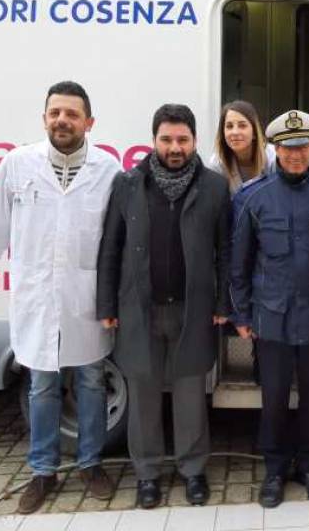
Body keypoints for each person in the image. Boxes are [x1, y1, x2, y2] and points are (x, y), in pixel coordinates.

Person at [0, 81, 119, 514]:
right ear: (44, 118)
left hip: (85, 299)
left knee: (89, 382)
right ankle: (42, 471)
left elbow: (116, 240)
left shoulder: (107, 169)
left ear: (89, 122)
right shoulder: (17, 164)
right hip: (37, 296)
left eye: (71, 113)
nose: (62, 120)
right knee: (42, 385)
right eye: (55, 113)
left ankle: (91, 464)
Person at [96, 104, 231, 509]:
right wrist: (106, 303)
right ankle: (148, 474)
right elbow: (111, 249)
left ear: (194, 141)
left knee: (191, 394)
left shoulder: (213, 187)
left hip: (193, 310)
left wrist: (224, 300)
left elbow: (225, 250)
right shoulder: (127, 184)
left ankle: (192, 471)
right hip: (139, 310)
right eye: (167, 139)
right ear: (153, 140)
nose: (175, 147)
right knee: (144, 393)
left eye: (183, 139)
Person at [230, 110, 309, 508]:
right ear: (275, 149)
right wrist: (242, 317)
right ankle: (275, 469)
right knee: (274, 398)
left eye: (302, 147)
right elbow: (239, 262)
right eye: (287, 148)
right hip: (272, 319)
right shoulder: (252, 196)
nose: (295, 155)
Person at [208, 99, 276, 194]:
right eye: (229, 126)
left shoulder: (274, 158)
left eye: (242, 126)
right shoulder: (217, 164)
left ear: (254, 133)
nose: (235, 132)